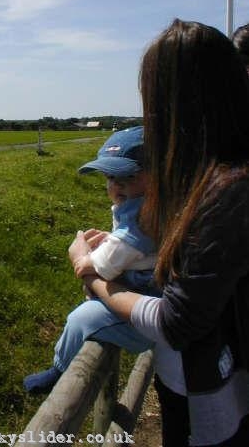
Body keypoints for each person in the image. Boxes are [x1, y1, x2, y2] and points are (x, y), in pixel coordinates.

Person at [70, 19, 249, 446]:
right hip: (193, 380)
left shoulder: (226, 189)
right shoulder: (207, 178)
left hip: (213, 398)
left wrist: (92, 276)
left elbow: (176, 321)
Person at [23, 127, 158, 395]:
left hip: (146, 310)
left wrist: (81, 254)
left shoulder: (140, 217)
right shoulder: (149, 206)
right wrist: (112, 239)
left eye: (127, 178)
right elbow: (135, 247)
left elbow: (95, 266)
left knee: (82, 318)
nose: (116, 186)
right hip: (144, 292)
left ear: (154, 176)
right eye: (110, 178)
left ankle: (59, 370)